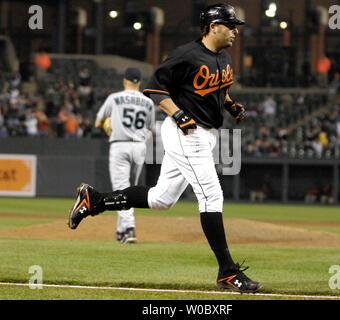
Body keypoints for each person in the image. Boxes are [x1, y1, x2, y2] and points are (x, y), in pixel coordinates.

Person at [68, 4, 262, 293]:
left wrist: (229, 103)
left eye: (235, 25)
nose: (235, 30)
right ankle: (227, 271)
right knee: (211, 195)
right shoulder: (186, 54)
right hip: (187, 132)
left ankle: (94, 200)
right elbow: (155, 87)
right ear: (212, 27)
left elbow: (217, 88)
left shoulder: (223, 56)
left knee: (162, 198)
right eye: (230, 25)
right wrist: (176, 113)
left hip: (206, 134)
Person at [94, 67, 155, 243]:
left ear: (124, 80)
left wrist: (107, 125)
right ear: (140, 82)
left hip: (120, 145)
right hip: (139, 147)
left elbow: (98, 121)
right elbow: (151, 128)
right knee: (131, 191)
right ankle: (121, 230)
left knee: (122, 190)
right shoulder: (148, 101)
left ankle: (129, 229)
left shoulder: (114, 98)